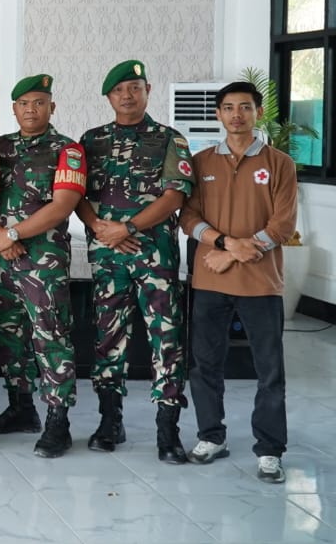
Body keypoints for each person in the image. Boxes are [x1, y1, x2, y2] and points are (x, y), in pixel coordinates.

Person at [180, 81, 298, 483]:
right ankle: (211, 436)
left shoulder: (279, 163)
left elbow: (283, 225)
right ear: (218, 114)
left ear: (257, 112)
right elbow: (188, 218)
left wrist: (232, 253)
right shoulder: (200, 162)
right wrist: (225, 243)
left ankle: (269, 450)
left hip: (261, 283)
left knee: (269, 370)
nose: (236, 115)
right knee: (205, 365)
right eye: (228, 107)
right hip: (209, 280)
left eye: (245, 107)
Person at [77, 59, 194, 464]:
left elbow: (174, 196)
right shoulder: (91, 140)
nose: (127, 95)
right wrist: (98, 227)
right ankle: (110, 421)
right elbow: (74, 193)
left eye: (134, 88)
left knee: (167, 338)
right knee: (107, 337)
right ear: (108, 97)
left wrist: (127, 227)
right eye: (119, 90)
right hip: (108, 257)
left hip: (155, 256)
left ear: (148, 91)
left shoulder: (169, 139)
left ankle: (168, 430)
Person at [0, 74, 87, 458]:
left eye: (39, 102)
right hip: (3, 261)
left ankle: (59, 420)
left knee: (50, 337)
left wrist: (12, 234)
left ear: (51, 107)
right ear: (14, 109)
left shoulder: (68, 150)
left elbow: (62, 205)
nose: (31, 110)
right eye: (24, 104)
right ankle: (20, 407)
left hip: (44, 262)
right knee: (8, 335)